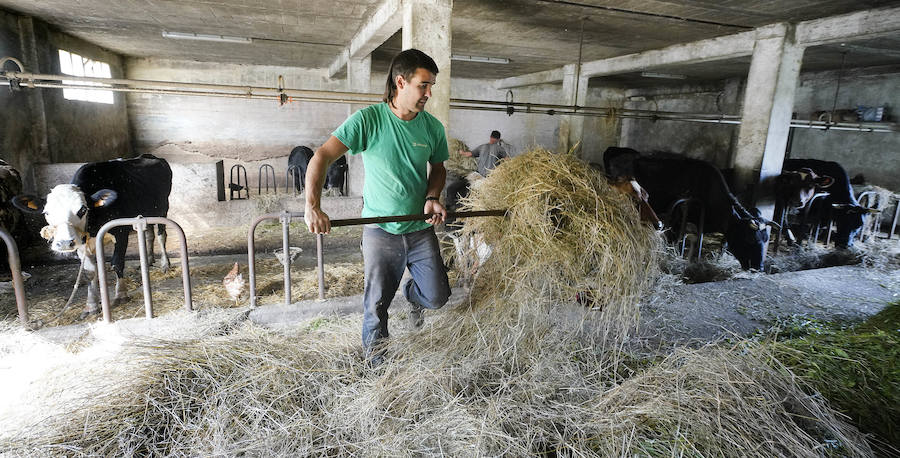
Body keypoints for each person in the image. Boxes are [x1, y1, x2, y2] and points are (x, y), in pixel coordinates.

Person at [304, 49, 451, 364]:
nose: (429, 92)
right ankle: (377, 370)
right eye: (424, 85)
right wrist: (313, 205)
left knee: (437, 296)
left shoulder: (433, 128)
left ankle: (413, 296)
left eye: (431, 86)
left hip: (419, 228)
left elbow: (438, 168)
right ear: (401, 82)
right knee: (375, 306)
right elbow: (321, 156)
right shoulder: (367, 120)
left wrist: (432, 196)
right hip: (380, 230)